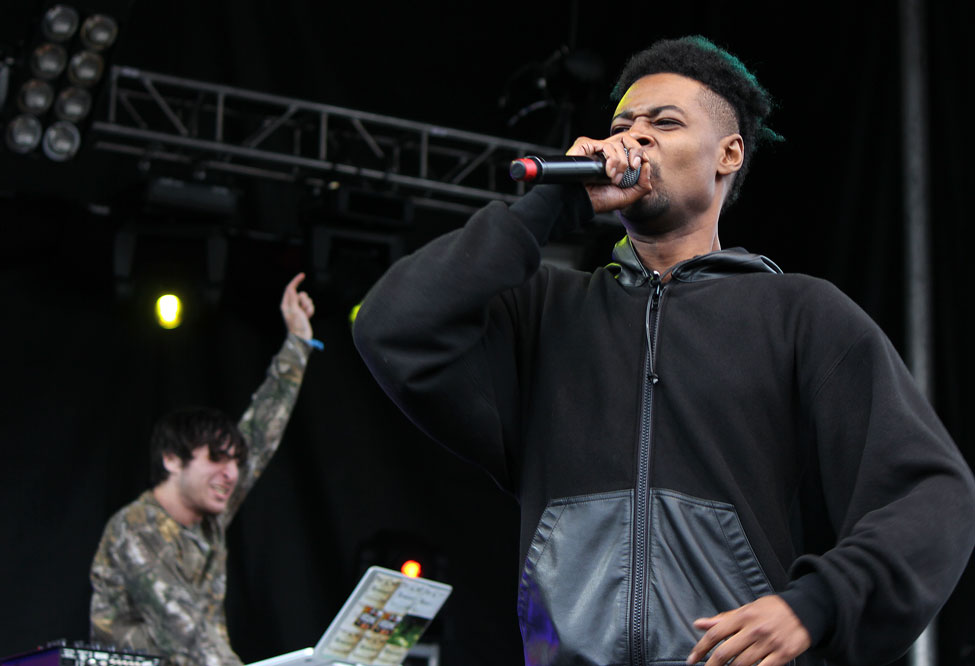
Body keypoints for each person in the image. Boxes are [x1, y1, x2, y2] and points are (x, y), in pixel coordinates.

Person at [351, 36, 975, 666]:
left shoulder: (800, 315)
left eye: (665, 122)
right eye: (622, 125)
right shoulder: (544, 312)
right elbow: (392, 326)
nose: (634, 137)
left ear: (728, 154)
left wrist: (816, 604)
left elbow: (930, 494)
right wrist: (546, 208)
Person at [89, 273, 320, 666]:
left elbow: (262, 431)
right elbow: (189, 634)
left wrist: (298, 343)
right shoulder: (135, 529)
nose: (231, 473)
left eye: (235, 462)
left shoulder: (210, 512)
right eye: (216, 458)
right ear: (172, 460)